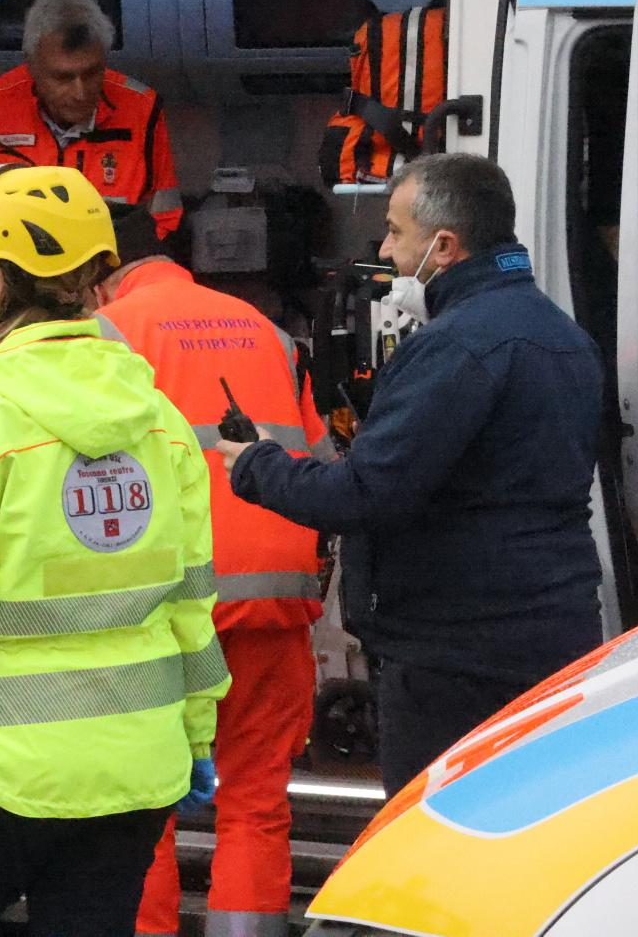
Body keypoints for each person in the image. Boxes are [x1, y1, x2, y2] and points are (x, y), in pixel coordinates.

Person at [0, 164, 229, 937]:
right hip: (136, 767)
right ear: (97, 273)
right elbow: (191, 604)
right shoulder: (159, 417)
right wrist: (197, 734)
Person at [216, 154, 604, 795]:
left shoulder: (457, 346)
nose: (386, 250)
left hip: (453, 654)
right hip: (549, 629)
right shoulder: (561, 334)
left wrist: (259, 464)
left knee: (436, 834)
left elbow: (368, 493)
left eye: (396, 232)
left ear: (444, 246)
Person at [92, 208, 329, 937]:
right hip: (274, 597)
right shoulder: (269, 333)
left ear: (98, 271)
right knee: (255, 801)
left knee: (144, 808)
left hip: (165, 604)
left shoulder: (107, 333)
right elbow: (319, 467)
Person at [0, 0, 182, 304]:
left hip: (115, 301)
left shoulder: (143, 110)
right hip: (17, 303)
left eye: (92, 74)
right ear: (31, 67)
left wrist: (140, 309)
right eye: (63, 78)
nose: (80, 91)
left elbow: (165, 224)